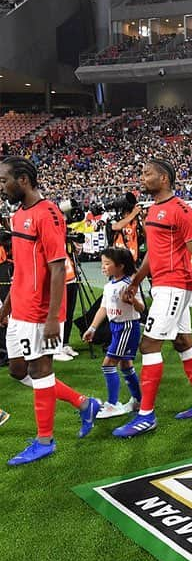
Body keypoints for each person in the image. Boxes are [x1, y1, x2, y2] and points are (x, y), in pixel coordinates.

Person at [0, 156, 102, 465]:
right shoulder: (18, 216)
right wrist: (6, 305)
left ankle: (45, 440)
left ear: (23, 181)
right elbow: (22, 267)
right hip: (19, 308)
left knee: (41, 370)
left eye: (4, 180)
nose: (1, 187)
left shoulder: (48, 214)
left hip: (39, 311)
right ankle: (83, 404)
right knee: (19, 370)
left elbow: (58, 268)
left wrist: (53, 317)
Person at [112, 158, 192, 438]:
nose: (143, 178)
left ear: (164, 179)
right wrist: (135, 282)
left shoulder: (181, 210)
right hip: (163, 285)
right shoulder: (153, 211)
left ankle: (146, 415)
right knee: (183, 341)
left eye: (148, 174)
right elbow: (152, 254)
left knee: (148, 346)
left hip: (174, 285)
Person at [83, 247, 144, 420]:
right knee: (125, 365)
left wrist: (133, 302)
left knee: (108, 364)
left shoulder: (127, 284)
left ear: (121, 266)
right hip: (117, 328)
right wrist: (92, 328)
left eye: (107, 263)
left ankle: (112, 403)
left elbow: (141, 308)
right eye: (102, 263)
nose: (103, 267)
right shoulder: (110, 285)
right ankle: (138, 400)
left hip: (127, 327)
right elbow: (104, 307)